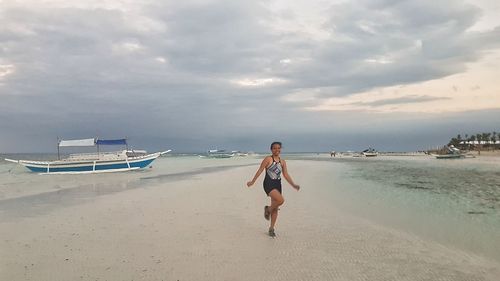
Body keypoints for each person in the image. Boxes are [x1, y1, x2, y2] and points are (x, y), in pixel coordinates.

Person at [246, 142, 300, 237]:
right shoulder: (268, 159)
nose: (277, 150)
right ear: (271, 149)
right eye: (274, 148)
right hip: (268, 183)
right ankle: (268, 209)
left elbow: (286, 174)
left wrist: (293, 185)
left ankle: (271, 229)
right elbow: (260, 170)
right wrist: (252, 181)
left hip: (278, 184)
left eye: (279, 148)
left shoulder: (282, 161)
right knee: (281, 200)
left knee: (275, 208)